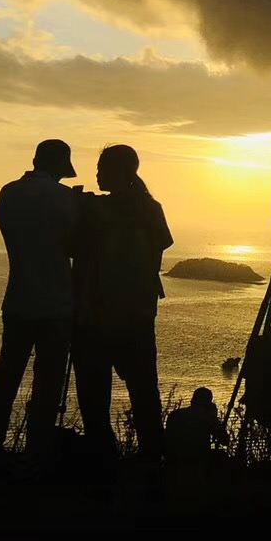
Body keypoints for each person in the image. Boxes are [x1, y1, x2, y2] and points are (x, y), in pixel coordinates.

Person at [71, 145, 173, 462]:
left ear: (120, 171)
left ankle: (103, 459)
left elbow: (73, 247)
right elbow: (161, 245)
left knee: (93, 394)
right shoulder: (150, 208)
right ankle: (151, 459)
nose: (97, 174)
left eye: (102, 168)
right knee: (144, 392)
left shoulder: (94, 210)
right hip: (138, 312)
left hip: (96, 312)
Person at [0, 139, 81, 463]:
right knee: (48, 382)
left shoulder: (7, 193)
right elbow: (75, 248)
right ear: (59, 166)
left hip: (18, 299)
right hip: (57, 303)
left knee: (6, 376)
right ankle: (37, 450)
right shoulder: (67, 199)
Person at [163, 386, 230, 472]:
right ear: (208, 404)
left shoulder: (174, 415)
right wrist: (213, 417)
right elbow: (225, 441)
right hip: (197, 461)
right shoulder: (207, 417)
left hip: (174, 460)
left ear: (192, 401)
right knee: (222, 456)